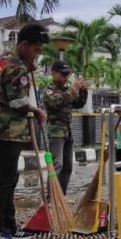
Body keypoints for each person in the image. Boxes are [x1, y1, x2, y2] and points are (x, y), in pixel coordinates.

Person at [0, 23, 50, 239]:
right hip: (7, 131)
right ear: (23, 45)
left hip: (0, 129)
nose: (38, 54)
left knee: (10, 178)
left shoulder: (4, 59)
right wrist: (37, 110)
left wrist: (28, 65)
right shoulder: (17, 67)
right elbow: (17, 101)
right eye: (36, 49)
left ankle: (9, 226)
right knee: (5, 180)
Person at [42, 60, 87, 194]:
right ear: (53, 73)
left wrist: (83, 91)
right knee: (57, 165)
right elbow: (57, 102)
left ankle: (62, 194)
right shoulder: (49, 90)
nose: (66, 77)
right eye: (63, 74)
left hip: (68, 132)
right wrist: (73, 90)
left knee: (67, 166)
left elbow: (78, 104)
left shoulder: (66, 89)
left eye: (67, 74)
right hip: (56, 133)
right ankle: (52, 197)